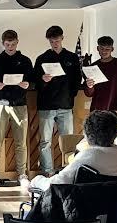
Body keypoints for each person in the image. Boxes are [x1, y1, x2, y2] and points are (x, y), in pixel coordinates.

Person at [30, 110, 117, 191]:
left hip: (86, 208)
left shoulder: (86, 158)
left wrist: (36, 180)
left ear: (86, 135)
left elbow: (56, 184)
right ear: (116, 133)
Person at [0, 29, 33, 191]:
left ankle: (22, 174)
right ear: (3, 44)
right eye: (7, 44)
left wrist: (28, 84)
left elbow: (33, 82)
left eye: (13, 44)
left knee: (21, 142)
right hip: (0, 104)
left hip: (20, 104)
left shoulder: (25, 61)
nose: (10, 47)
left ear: (17, 42)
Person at [33, 25, 82, 176]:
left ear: (62, 38)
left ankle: (68, 170)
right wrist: (43, 80)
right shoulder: (42, 58)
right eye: (52, 41)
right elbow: (35, 82)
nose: (55, 43)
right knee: (45, 141)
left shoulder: (72, 57)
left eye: (57, 40)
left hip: (65, 105)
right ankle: (48, 171)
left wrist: (71, 95)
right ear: (48, 41)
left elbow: (77, 79)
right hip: (46, 105)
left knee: (68, 141)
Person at [84, 36, 117, 115]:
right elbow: (89, 94)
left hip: (115, 110)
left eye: (107, 49)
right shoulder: (92, 67)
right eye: (102, 48)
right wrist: (89, 87)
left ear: (112, 49)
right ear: (97, 48)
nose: (104, 51)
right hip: (96, 111)